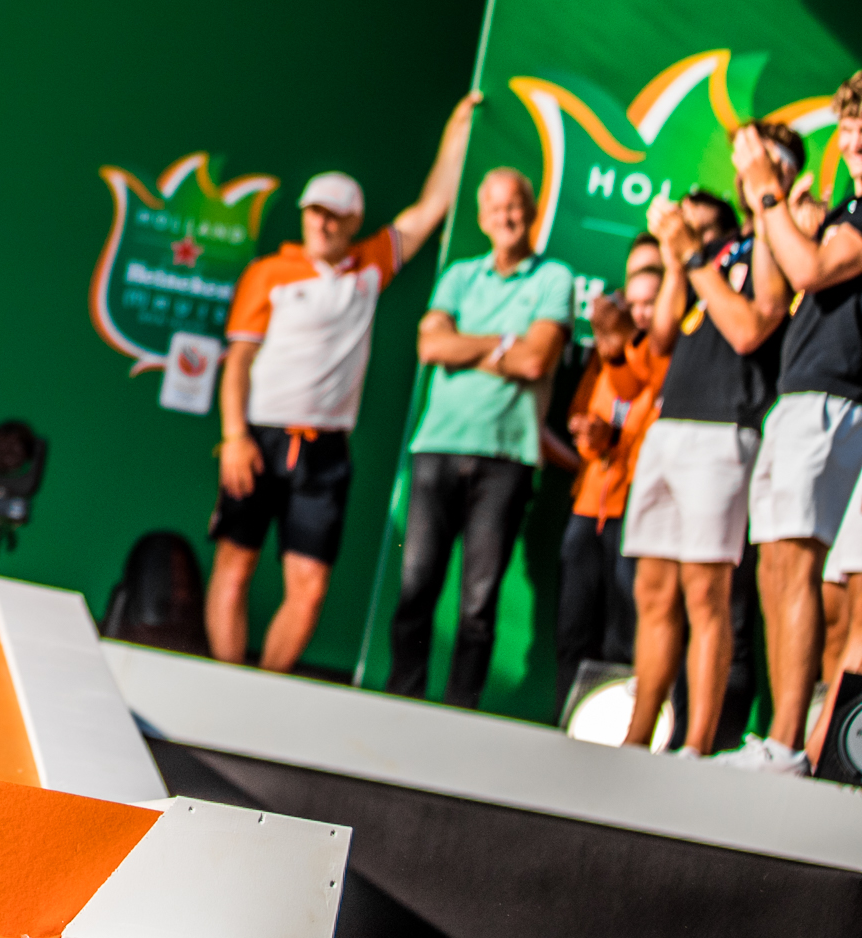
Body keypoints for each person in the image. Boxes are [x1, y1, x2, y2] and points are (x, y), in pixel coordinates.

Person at [205, 96, 479, 673]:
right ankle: (223, 682)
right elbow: (238, 362)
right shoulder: (269, 273)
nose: (321, 223)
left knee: (309, 587)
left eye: (333, 215)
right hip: (258, 439)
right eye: (313, 212)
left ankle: (264, 688)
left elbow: (431, 206)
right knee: (235, 564)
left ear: (354, 222)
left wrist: (458, 127)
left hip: (326, 452)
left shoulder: (369, 267)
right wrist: (234, 437)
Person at [384, 167, 576, 705]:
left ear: (531, 210)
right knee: (416, 587)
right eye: (495, 207)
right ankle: (401, 699)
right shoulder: (459, 275)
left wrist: (465, 345)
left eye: (513, 205)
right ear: (481, 217)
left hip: (506, 456)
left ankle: (458, 711)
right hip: (437, 446)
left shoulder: (553, 278)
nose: (505, 216)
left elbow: (536, 360)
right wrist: (502, 344)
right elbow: (430, 347)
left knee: (478, 603)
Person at [732, 90, 862, 772]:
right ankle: (782, 740)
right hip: (799, 394)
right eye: (849, 129)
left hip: (836, 399)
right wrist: (773, 209)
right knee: (777, 566)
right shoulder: (840, 209)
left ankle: (789, 743)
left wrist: (767, 192)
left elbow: (810, 268)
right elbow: (781, 280)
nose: (855, 142)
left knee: (801, 566)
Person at [628, 185, 783, 754]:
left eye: (698, 226)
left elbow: (748, 329)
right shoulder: (696, 263)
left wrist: (693, 254)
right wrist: (676, 261)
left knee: (705, 594)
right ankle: (638, 737)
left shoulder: (761, 248)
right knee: (652, 591)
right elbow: (662, 336)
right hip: (670, 424)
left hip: (725, 428)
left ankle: (695, 743)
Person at [557, 236, 667, 699]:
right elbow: (589, 407)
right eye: (632, 299)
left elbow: (637, 389)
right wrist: (590, 435)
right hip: (590, 500)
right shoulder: (609, 349)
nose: (638, 311)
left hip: (637, 504)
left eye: (650, 301)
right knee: (573, 623)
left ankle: (617, 721)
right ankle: (563, 716)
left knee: (624, 631)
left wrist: (619, 347)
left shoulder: (664, 351)